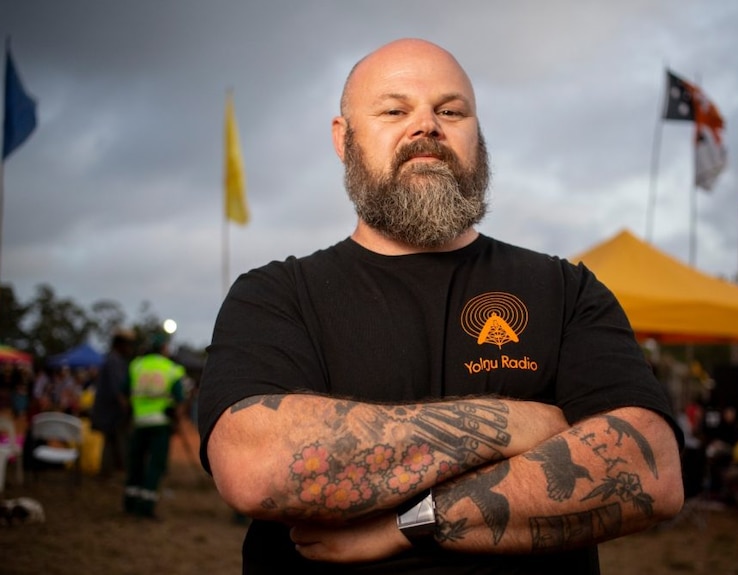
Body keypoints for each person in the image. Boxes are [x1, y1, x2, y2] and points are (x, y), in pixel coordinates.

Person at [197, 38, 684, 574]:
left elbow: (650, 469)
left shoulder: (565, 289)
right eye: (394, 110)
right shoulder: (274, 296)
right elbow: (258, 467)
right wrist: (515, 422)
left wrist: (413, 523)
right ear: (344, 138)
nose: (426, 125)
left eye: (451, 111)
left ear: (478, 134)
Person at [124, 333, 186, 518]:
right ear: (164, 349)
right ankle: (146, 505)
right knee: (155, 465)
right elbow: (180, 400)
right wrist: (177, 419)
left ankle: (129, 503)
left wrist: (130, 412)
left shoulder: (137, 365)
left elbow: (123, 392)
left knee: (136, 463)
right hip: (160, 423)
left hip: (139, 422)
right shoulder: (171, 369)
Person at [91, 328, 136, 480]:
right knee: (114, 442)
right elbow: (118, 390)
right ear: (120, 345)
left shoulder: (114, 360)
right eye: (128, 345)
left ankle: (108, 472)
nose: (130, 349)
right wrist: (127, 409)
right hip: (111, 413)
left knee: (110, 442)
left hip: (110, 412)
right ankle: (110, 473)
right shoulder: (114, 362)